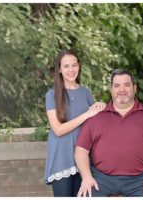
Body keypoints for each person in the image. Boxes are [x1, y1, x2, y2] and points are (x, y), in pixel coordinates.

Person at [74, 69, 143, 197]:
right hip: (102, 180)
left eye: (126, 85)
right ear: (111, 89)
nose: (122, 89)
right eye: (117, 86)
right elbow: (81, 149)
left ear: (134, 88)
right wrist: (87, 177)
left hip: (141, 181)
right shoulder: (96, 117)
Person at [44, 50, 105, 197]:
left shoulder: (85, 92)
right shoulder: (51, 95)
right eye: (66, 66)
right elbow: (58, 130)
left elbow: (95, 121)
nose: (71, 70)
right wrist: (86, 114)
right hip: (62, 157)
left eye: (74, 65)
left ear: (79, 67)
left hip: (84, 157)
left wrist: (101, 106)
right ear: (59, 69)